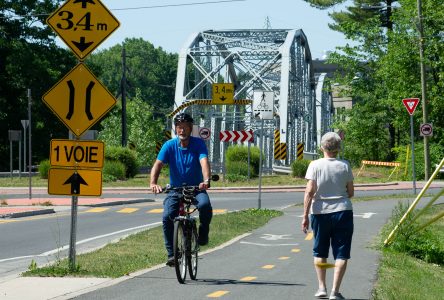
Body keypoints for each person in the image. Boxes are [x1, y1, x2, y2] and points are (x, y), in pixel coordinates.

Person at [150, 112, 213, 267]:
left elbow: (204, 162)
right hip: (175, 189)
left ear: (191, 129)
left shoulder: (198, 144)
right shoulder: (169, 145)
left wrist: (206, 180)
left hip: (196, 188)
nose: (182, 130)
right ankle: (172, 254)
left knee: (204, 206)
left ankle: (203, 231)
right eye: (179, 127)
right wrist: (153, 183)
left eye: (185, 127)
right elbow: (158, 164)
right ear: (176, 129)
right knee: (167, 216)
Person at [301, 132, 354, 300]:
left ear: (322, 147)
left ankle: (322, 287)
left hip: (319, 212)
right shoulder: (345, 165)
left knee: (320, 250)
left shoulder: (314, 165)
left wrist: (305, 216)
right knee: (341, 253)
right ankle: (335, 292)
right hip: (342, 211)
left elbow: (310, 192)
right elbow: (351, 192)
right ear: (338, 148)